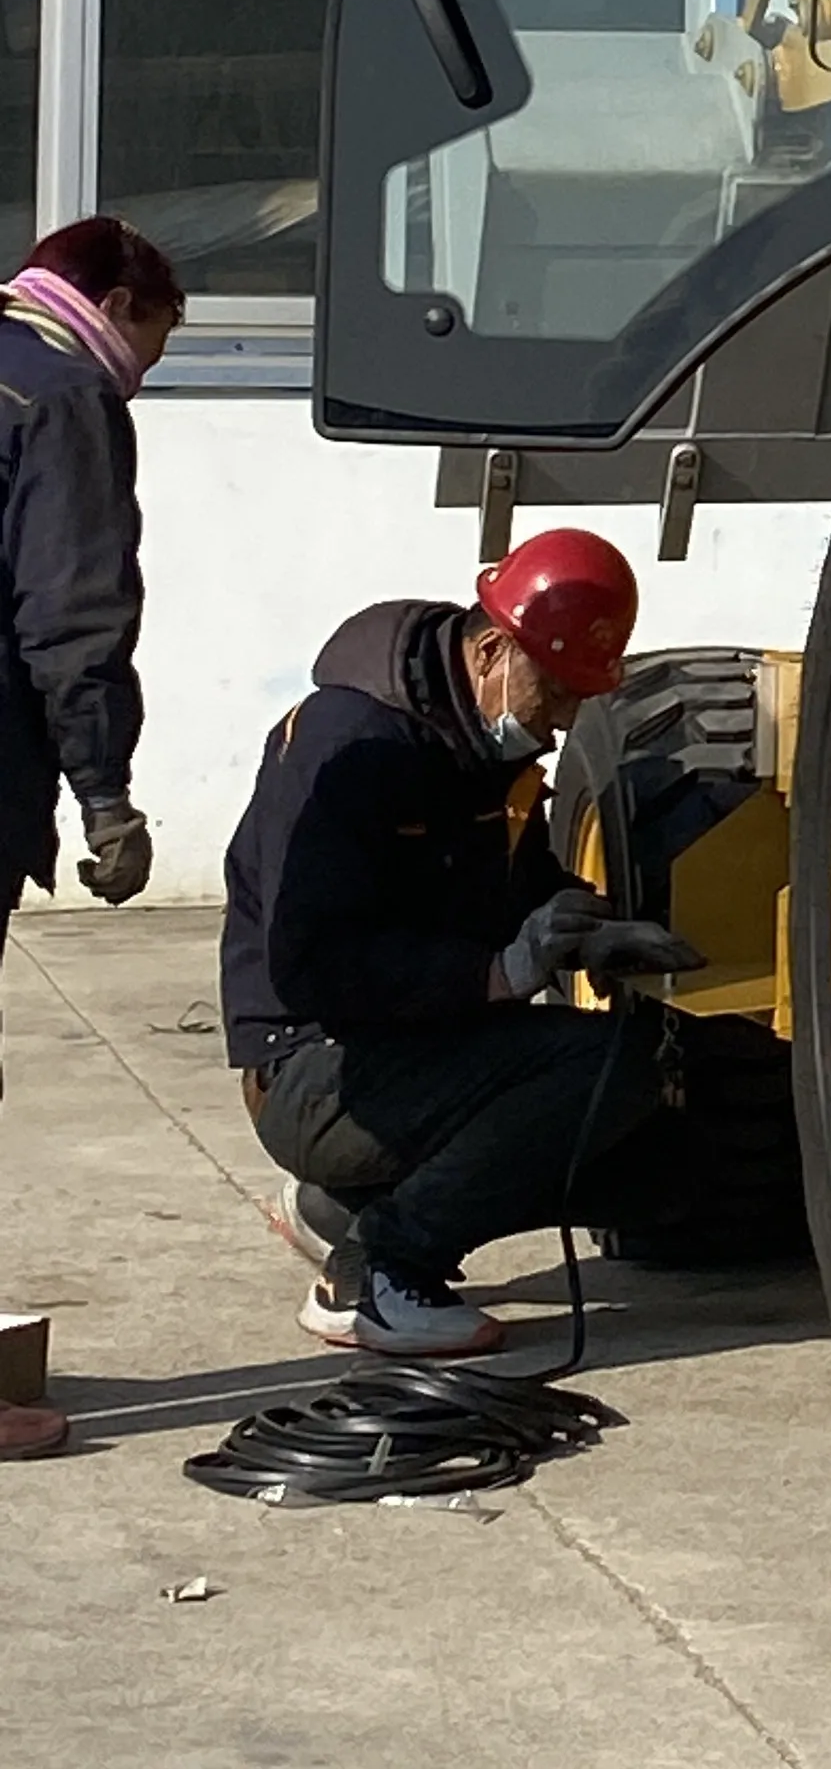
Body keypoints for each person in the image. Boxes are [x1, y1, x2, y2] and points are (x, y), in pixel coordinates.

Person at [218, 529, 699, 1358]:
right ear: (490, 652)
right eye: (555, 691)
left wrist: (590, 928)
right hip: (314, 1066)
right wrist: (496, 973)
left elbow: (525, 882)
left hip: (410, 1049)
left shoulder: (483, 747)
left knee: (660, 1157)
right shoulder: (349, 746)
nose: (563, 720)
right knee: (603, 1072)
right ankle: (382, 1272)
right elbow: (314, 966)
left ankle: (341, 1207)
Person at [0, 215, 182, 1462]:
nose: (143, 379)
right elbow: (71, 613)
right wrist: (104, 794)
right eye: (153, 348)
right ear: (115, 303)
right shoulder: (63, 398)